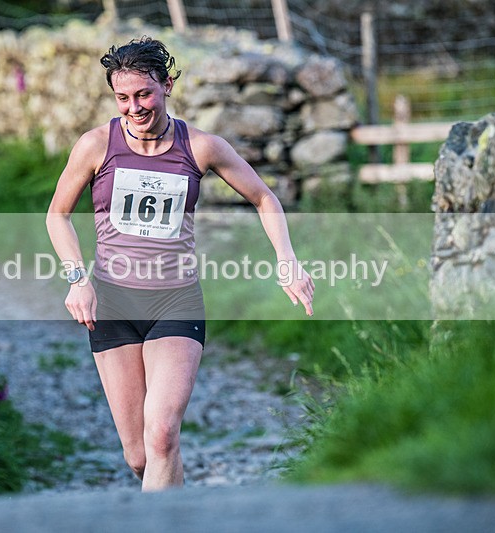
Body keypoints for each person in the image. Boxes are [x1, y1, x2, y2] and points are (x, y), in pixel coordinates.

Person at [46, 37, 314, 492]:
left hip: (176, 299)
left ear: (167, 85)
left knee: (164, 435)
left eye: (144, 94)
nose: (134, 107)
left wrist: (286, 259)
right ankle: (178, 508)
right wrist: (77, 277)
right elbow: (57, 215)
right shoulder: (95, 145)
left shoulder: (201, 146)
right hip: (112, 303)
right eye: (123, 98)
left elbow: (264, 197)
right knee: (138, 456)